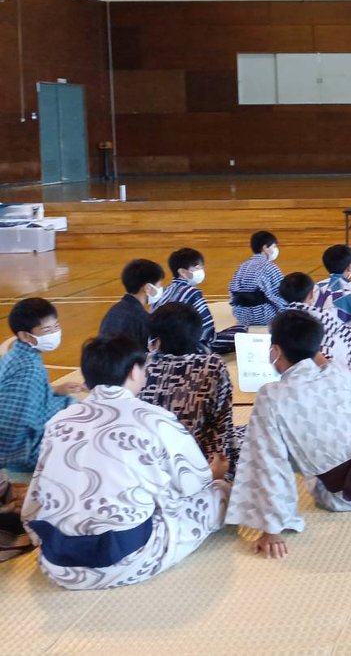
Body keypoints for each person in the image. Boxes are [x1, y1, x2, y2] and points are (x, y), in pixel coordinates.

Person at [22, 334, 230, 589]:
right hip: (125, 560)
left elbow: (37, 492)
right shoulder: (153, 419)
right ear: (134, 371)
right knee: (218, 493)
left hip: (58, 563)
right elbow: (193, 483)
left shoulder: (59, 421)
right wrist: (215, 475)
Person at [226, 310, 351, 559]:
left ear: (275, 351)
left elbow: (267, 461)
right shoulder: (336, 371)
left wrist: (271, 528)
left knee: (258, 442)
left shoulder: (271, 395)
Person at [139, 302, 240, 469]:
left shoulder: (142, 363)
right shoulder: (211, 366)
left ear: (157, 338)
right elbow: (223, 424)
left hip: (149, 463)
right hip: (198, 465)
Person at [0, 299, 82, 473]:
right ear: (25, 336)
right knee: (80, 419)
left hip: (19, 436)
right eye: (47, 330)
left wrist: (55, 390)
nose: (55, 333)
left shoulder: (17, 355)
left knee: (71, 403)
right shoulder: (29, 371)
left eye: (56, 326)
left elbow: (24, 397)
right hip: (22, 454)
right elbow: (9, 429)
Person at [279, 272, 351, 371]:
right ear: (311, 294)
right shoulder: (324, 316)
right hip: (335, 370)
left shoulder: (279, 323)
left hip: (301, 371)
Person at [156, 247, 217, 352]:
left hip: (162, 346)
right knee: (238, 332)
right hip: (187, 346)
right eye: (197, 267)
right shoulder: (193, 293)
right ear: (182, 272)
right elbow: (207, 329)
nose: (201, 271)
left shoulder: (164, 292)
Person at [99, 258, 165, 349]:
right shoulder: (142, 319)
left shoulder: (113, 311)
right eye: (159, 285)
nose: (161, 288)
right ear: (148, 288)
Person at [228, 231, 286, 327]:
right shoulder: (270, 267)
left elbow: (232, 290)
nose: (276, 249)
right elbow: (280, 293)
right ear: (265, 248)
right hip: (265, 315)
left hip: (241, 315)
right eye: (274, 246)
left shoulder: (243, 266)